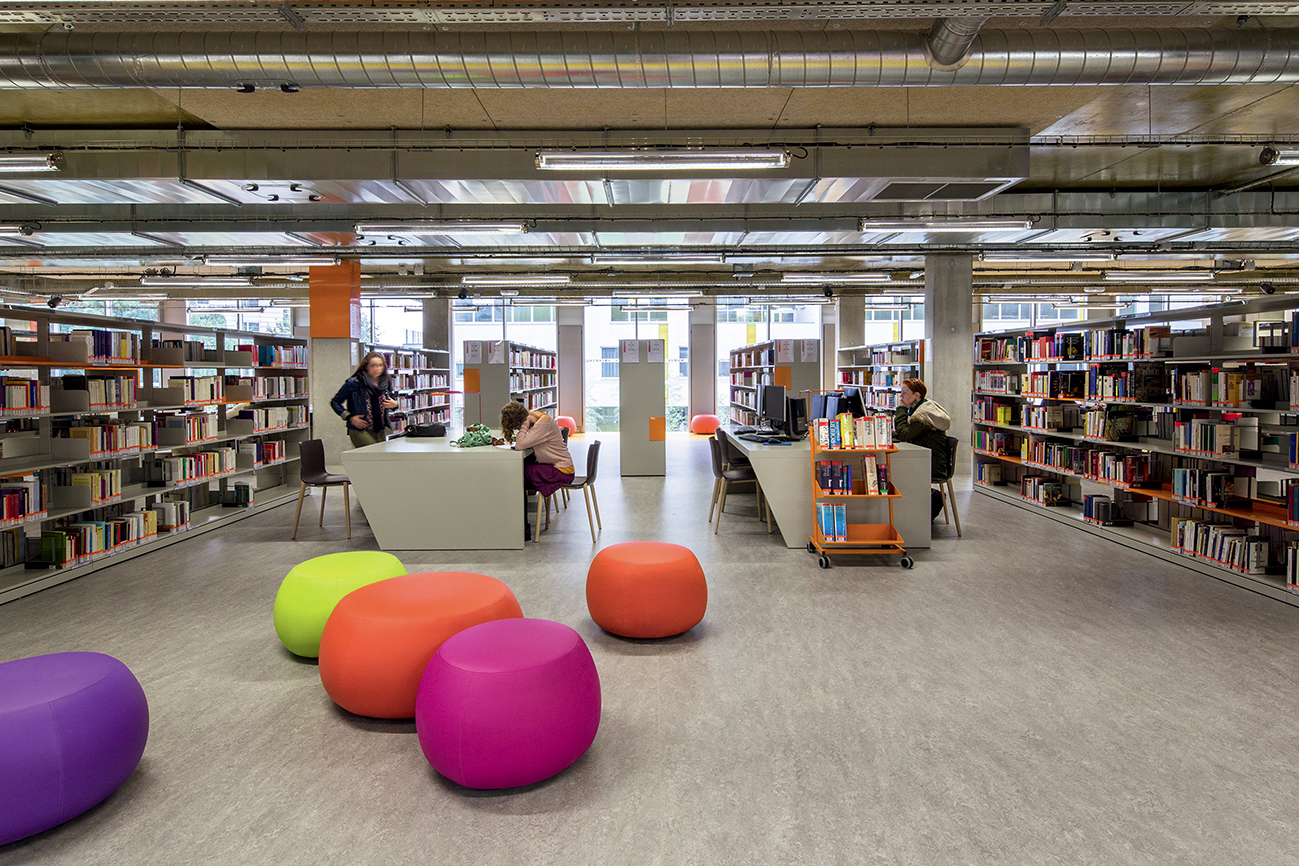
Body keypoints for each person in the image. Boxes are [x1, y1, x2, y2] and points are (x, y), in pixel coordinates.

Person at [495, 402, 574, 541]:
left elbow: (520, 445)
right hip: (555, 466)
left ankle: (521, 527)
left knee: (519, 473)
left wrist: (524, 424)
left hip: (561, 471)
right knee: (522, 470)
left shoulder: (543, 422)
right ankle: (518, 523)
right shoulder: (538, 416)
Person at [893, 378, 952, 520]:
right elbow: (907, 433)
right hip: (925, 460)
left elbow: (905, 434)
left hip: (932, 465)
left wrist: (901, 409)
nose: (901, 396)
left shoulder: (923, 416)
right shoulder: (919, 409)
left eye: (905, 393)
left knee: (894, 471)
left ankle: (905, 515)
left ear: (916, 395)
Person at [330, 351, 399, 448]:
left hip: (380, 428)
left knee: (379, 456)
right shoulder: (354, 383)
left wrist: (395, 404)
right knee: (373, 453)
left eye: (380, 365)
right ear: (366, 366)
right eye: (373, 365)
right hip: (361, 429)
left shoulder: (385, 382)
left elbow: (393, 400)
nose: (377, 369)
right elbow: (335, 402)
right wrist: (349, 417)